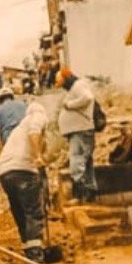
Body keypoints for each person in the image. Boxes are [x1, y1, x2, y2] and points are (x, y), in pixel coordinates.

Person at [0, 94, 48, 259]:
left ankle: (28, 249)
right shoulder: (38, 116)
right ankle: (36, 254)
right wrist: (38, 157)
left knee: (20, 211)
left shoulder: (18, 129)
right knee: (33, 212)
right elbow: (34, 132)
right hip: (23, 170)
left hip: (4, 172)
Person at [55, 66, 99, 202]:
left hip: (80, 130)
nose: (61, 86)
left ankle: (79, 195)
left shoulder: (78, 85)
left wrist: (69, 105)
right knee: (85, 162)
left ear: (66, 78)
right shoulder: (76, 87)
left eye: (61, 82)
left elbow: (88, 97)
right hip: (78, 130)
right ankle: (89, 193)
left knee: (77, 160)